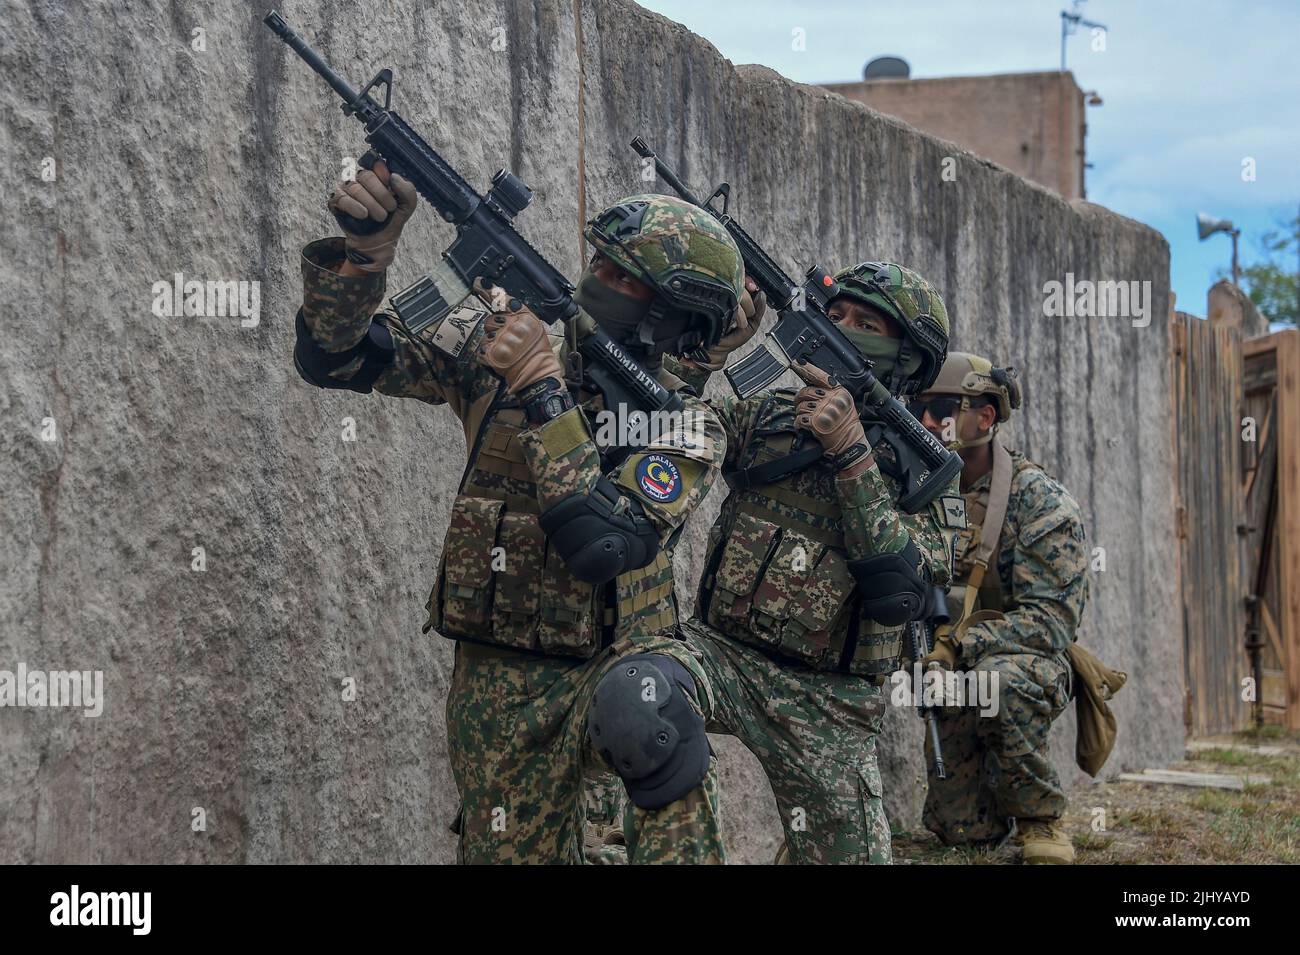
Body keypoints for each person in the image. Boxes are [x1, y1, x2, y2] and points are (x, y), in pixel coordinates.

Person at [294, 159, 756, 862]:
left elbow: (601, 543)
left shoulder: (689, 423)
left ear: (673, 314)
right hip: (502, 672)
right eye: (599, 261)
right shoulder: (500, 342)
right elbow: (337, 358)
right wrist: (365, 256)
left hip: (625, 659)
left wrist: (543, 391)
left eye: (626, 277)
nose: (599, 281)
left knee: (651, 716)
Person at [667, 261, 959, 864]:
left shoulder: (924, 473)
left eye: (866, 322)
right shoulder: (766, 414)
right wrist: (704, 357)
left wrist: (851, 453)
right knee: (638, 699)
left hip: (831, 700)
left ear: (904, 359)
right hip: (720, 656)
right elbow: (660, 432)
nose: (842, 327)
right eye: (836, 314)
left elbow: (901, 591)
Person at [912, 352, 1089, 865]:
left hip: (1027, 657)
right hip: (949, 662)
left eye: (943, 407)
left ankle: (1042, 819)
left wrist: (959, 645)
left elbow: (1053, 622)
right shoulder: (924, 490)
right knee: (962, 832)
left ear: (985, 417)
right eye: (919, 406)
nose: (927, 421)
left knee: (1001, 681)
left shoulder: (1041, 502)